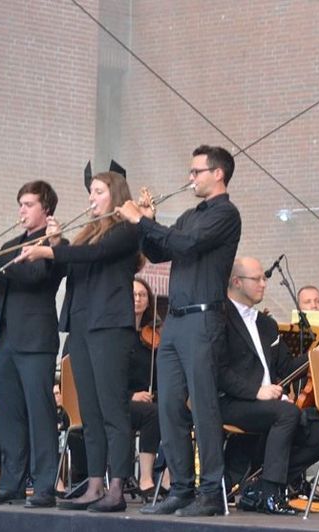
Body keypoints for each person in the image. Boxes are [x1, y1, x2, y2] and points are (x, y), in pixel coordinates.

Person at [116, 145, 241, 517]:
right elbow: (160, 252)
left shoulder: (226, 214)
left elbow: (185, 243)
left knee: (203, 405)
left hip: (203, 319)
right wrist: (147, 224)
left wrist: (142, 220)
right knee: (168, 405)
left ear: (218, 174)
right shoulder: (191, 214)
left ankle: (211, 492)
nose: (191, 178)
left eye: (196, 171)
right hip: (177, 320)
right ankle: (181, 489)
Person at [19, 170, 140, 512]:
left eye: (98, 191)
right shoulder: (89, 233)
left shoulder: (126, 230)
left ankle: (116, 486)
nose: (91, 198)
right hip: (83, 325)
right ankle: (95, 484)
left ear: (114, 194)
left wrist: (52, 252)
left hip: (110, 327)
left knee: (112, 409)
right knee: (88, 410)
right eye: (90, 192)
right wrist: (59, 245)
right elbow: (78, 265)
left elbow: (95, 257)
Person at [0, 180, 66, 508]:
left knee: (40, 414)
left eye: (28, 204)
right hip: (6, 341)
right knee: (9, 415)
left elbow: (36, 276)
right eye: (20, 204)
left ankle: (44, 486)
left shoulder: (54, 243)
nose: (21, 210)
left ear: (46, 209)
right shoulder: (12, 244)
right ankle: (10, 482)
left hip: (36, 341)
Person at [217, 257, 319, 515]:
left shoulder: (266, 324)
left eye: (263, 278)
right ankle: (271, 492)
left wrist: (315, 355)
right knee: (288, 413)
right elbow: (218, 371)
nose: (264, 284)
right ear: (236, 282)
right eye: (257, 279)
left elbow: (287, 367)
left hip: (268, 404)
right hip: (233, 401)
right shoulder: (220, 318)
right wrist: (256, 391)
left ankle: (256, 486)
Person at [129, 277, 170, 500]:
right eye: (133, 295)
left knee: (177, 411)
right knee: (153, 414)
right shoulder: (117, 335)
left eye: (142, 295)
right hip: (121, 401)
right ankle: (146, 478)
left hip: (149, 399)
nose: (137, 299)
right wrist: (132, 395)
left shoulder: (154, 334)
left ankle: (170, 478)